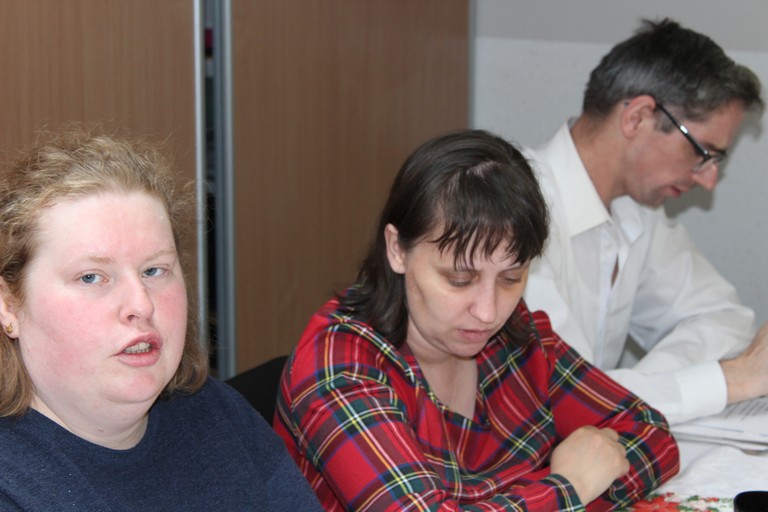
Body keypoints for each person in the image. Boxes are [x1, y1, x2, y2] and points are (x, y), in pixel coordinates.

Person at [274, 129, 679, 511]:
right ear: (397, 250)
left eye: (511, 278)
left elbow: (652, 436)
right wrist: (569, 487)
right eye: (459, 279)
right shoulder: (340, 364)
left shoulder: (514, 336)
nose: (488, 312)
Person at [0, 128, 323, 511]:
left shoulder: (215, 413)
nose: (141, 304)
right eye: (91, 277)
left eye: (154, 270)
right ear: (8, 305)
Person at [521, 18, 767, 426]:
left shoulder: (638, 209)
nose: (709, 179)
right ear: (637, 117)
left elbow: (725, 320)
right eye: (702, 152)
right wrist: (730, 380)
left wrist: (640, 391)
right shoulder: (512, 208)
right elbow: (563, 401)